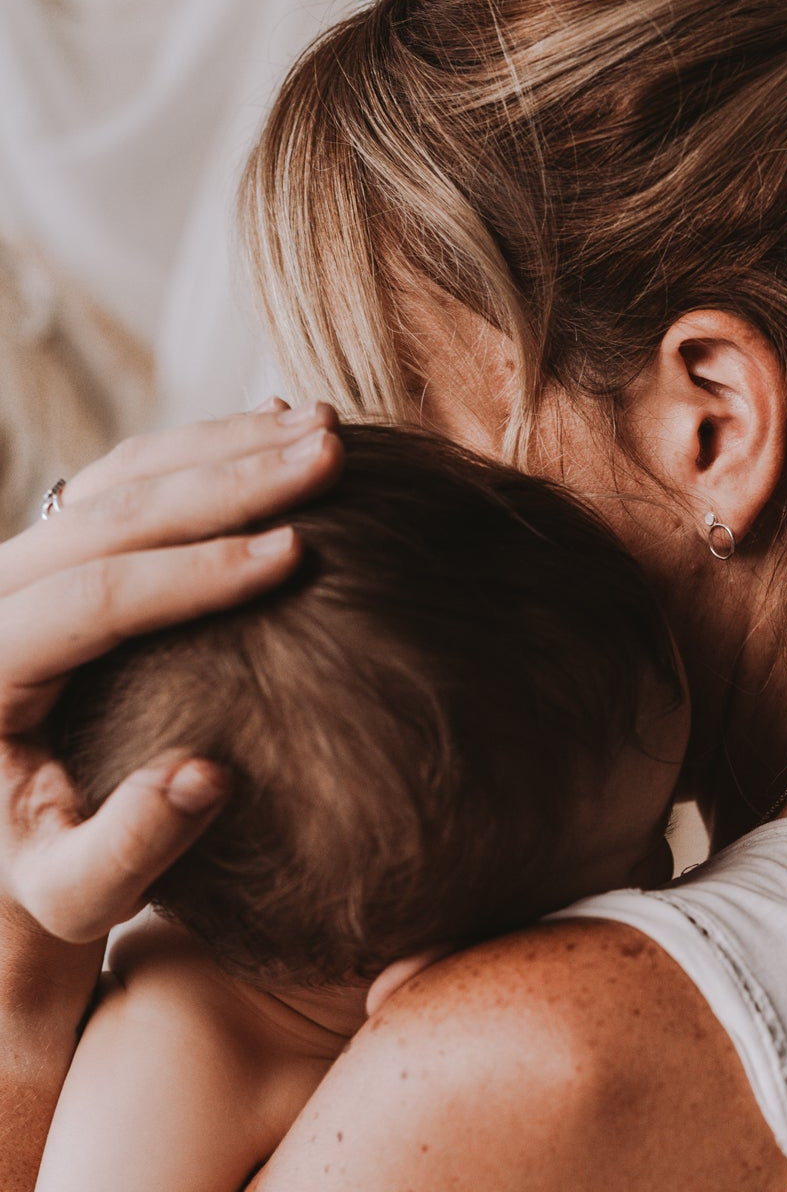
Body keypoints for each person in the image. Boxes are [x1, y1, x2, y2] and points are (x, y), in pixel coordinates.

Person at [4, 0, 787, 1188]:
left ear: (711, 425)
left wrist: (22, 973)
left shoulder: (546, 1049)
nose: (365, 533)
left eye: (424, 429)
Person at [32, 423, 686, 1192]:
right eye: (643, 850)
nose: (667, 870)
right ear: (438, 984)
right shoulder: (161, 1092)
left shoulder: (288, 998)